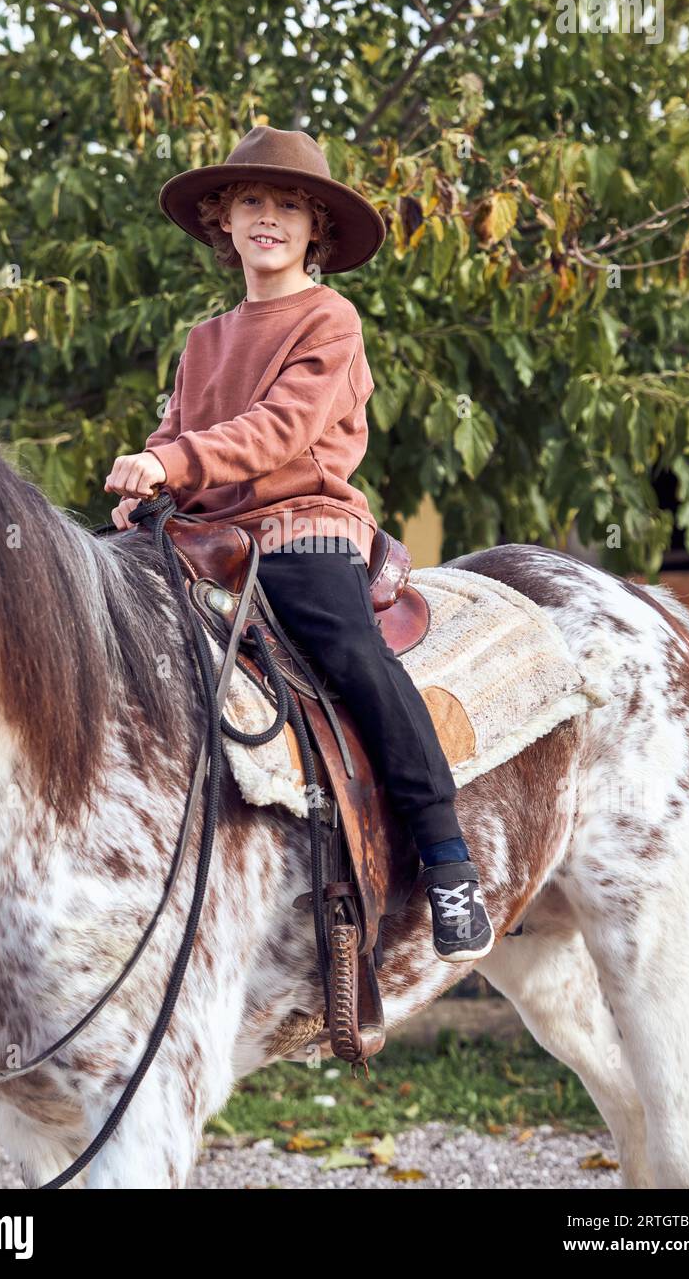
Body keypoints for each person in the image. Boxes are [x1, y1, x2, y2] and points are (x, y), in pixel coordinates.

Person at [104, 125, 494, 962]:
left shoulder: (330, 319)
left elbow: (278, 431)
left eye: (289, 204)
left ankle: (448, 857)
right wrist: (147, 493)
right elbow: (173, 430)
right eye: (251, 201)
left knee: (353, 657)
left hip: (301, 532)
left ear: (318, 229)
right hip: (205, 538)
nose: (268, 217)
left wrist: (168, 460)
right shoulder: (203, 339)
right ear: (223, 220)